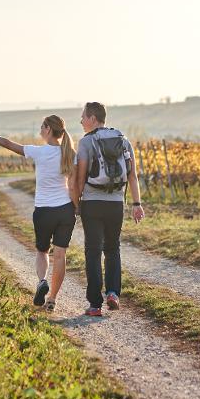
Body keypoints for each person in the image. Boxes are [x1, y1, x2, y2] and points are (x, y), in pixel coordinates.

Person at [0, 115, 77, 311]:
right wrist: (76, 207)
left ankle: (41, 281)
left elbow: (10, 144)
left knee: (42, 251)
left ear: (48, 130)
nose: (39, 130)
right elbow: (74, 185)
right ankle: (52, 299)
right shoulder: (71, 154)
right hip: (65, 210)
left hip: (43, 211)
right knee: (60, 255)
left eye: (41, 126)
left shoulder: (38, 152)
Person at [70, 102, 144, 317]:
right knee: (113, 248)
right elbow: (132, 175)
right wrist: (137, 204)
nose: (81, 121)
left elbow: (80, 177)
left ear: (93, 118)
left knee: (92, 252)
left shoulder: (86, 142)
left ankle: (95, 305)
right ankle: (113, 292)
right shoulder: (123, 141)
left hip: (92, 203)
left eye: (83, 116)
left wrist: (76, 206)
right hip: (116, 204)